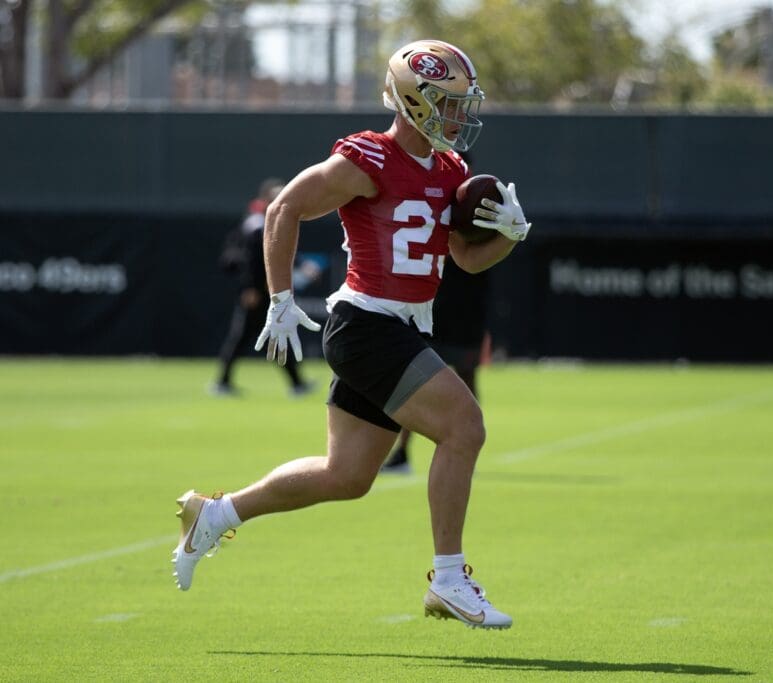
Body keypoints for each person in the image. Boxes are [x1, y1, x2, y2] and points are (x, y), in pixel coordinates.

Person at [172, 40, 531, 630]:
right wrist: (280, 298)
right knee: (465, 427)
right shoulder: (370, 157)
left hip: (398, 328)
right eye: (449, 104)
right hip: (367, 324)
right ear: (415, 102)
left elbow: (466, 259)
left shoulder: (450, 170)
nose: (459, 117)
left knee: (347, 476)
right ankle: (448, 578)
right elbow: (285, 208)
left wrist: (509, 236)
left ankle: (215, 514)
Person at [382, 151, 491, 474]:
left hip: (466, 307)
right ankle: (402, 452)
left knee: (467, 377)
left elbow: (479, 260)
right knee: (415, 381)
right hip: (432, 308)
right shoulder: (430, 200)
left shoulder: (480, 205)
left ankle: (466, 442)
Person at [210, 178, 315, 398]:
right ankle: (222, 383)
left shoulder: (267, 220)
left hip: (266, 291)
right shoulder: (257, 223)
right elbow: (251, 259)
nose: (280, 198)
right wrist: (250, 288)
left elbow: (277, 252)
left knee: (268, 335)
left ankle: (297, 383)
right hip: (257, 292)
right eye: (276, 195)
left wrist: (301, 265)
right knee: (244, 336)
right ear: (265, 198)